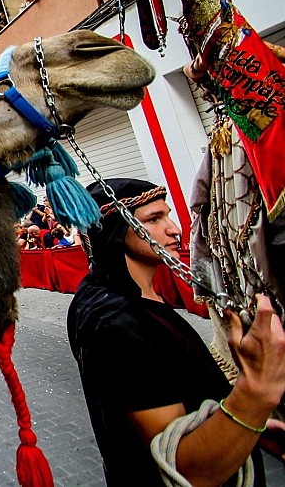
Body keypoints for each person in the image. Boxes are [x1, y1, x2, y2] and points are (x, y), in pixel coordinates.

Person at [67, 178, 285, 486]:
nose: (173, 228)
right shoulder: (115, 324)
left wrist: (246, 427)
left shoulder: (123, 295)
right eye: (154, 219)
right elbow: (185, 468)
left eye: (167, 215)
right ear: (113, 229)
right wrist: (257, 393)